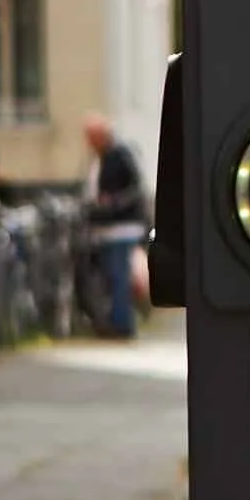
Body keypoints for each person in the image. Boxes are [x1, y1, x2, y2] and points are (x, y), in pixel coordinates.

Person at [78, 115, 148, 337]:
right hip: (106, 228)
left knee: (119, 276)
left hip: (122, 227)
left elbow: (134, 187)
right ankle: (116, 321)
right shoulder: (99, 158)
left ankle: (122, 325)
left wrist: (113, 203)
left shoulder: (119, 155)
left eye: (91, 137)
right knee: (112, 275)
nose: (88, 143)